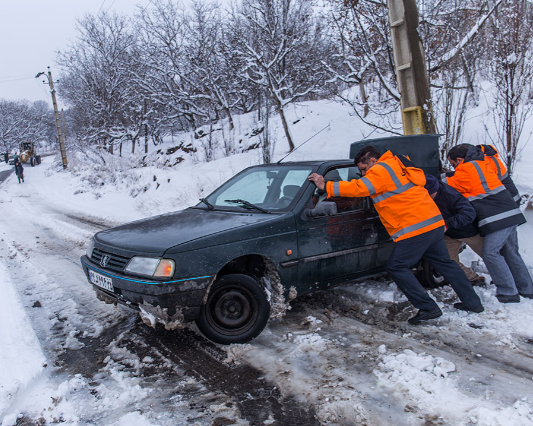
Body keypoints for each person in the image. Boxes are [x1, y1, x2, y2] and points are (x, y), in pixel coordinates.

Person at [308, 146, 484, 324]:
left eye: (363, 168)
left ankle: (428, 308)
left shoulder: (381, 169)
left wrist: (325, 185)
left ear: (372, 160)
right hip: (432, 222)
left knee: (397, 267)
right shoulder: (397, 166)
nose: (363, 173)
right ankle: (473, 302)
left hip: (414, 227)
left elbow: (360, 188)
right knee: (446, 264)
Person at [445, 144, 533, 303]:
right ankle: (526, 289)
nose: (453, 168)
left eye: (452, 164)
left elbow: (449, 184)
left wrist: (430, 177)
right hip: (508, 213)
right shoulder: (481, 163)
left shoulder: (467, 169)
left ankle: (508, 292)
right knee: (510, 253)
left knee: (490, 253)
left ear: (459, 160)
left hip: (498, 217)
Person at [424, 174, 485, 286]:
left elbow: (469, 214)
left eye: (428, 195)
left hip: (469, 232)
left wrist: (447, 224)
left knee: (491, 257)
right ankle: (473, 278)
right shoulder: (426, 195)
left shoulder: (451, 195)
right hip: (450, 234)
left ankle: (510, 280)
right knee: (448, 260)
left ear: (434, 190)